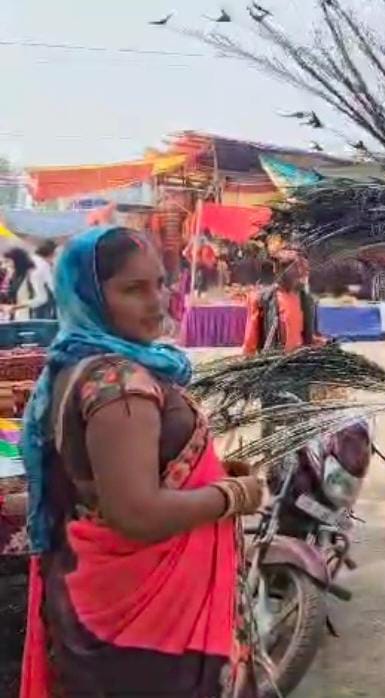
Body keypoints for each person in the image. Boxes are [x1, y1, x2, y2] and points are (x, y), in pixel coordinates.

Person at [19, 226, 265, 697]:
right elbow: (136, 514)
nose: (157, 301)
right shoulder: (116, 382)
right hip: (141, 622)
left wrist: (204, 472)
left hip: (113, 608)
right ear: (90, 296)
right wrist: (233, 495)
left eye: (159, 283)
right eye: (133, 289)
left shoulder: (79, 363)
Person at [242, 249, 321, 356]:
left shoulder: (306, 299)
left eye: (297, 267)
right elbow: (251, 340)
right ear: (276, 269)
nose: (296, 271)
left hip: (299, 363)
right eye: (287, 267)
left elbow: (310, 337)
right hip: (274, 362)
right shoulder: (262, 299)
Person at [3, 247, 51, 322]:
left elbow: (42, 298)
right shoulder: (13, 275)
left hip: (31, 318)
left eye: (7, 261)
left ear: (17, 261)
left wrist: (17, 307)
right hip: (16, 318)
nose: (4, 266)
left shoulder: (33, 274)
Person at [30, 242, 58, 320]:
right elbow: (52, 286)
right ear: (50, 253)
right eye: (55, 253)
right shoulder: (43, 265)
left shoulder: (32, 260)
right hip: (40, 303)